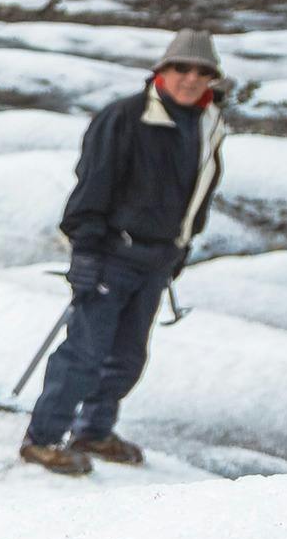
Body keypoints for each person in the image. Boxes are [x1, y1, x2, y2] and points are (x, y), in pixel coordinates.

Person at [21, 29, 229, 474]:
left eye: (202, 72)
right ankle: (42, 439)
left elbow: (197, 192)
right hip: (113, 255)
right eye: (181, 68)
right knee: (84, 353)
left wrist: (181, 246)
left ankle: (93, 431)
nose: (191, 79)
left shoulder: (208, 124)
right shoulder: (124, 117)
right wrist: (86, 252)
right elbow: (92, 185)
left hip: (157, 259)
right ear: (162, 71)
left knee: (128, 358)